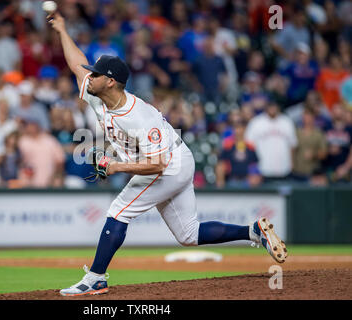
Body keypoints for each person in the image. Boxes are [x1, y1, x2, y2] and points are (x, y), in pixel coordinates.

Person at [47, 12, 287, 297]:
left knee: (118, 211)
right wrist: (62, 29)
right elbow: (76, 64)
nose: (89, 76)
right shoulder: (97, 94)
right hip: (172, 158)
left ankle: (96, 278)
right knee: (188, 235)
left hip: (169, 163)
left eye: (96, 73)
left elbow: (159, 164)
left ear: (111, 82)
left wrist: (115, 167)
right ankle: (253, 231)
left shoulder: (138, 116)